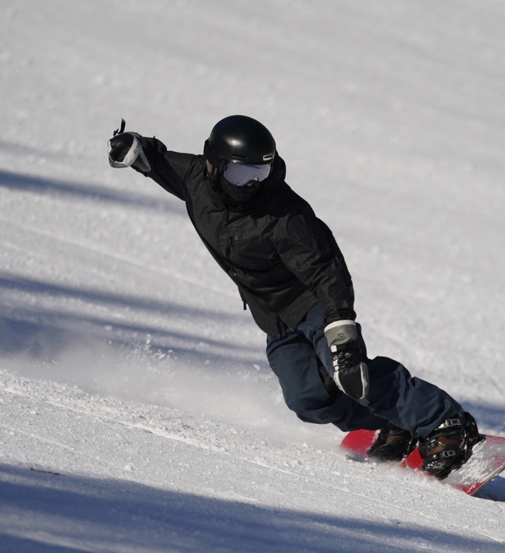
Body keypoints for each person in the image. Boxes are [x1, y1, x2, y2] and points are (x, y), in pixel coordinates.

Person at [108, 115, 481, 478]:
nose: (253, 184)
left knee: (350, 375)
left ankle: (443, 421)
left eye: (261, 172)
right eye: (242, 173)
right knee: (307, 399)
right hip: (273, 316)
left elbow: (327, 270)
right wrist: (134, 150)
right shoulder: (196, 180)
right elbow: (158, 160)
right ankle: (393, 423)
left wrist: (340, 331)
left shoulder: (285, 215)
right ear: (214, 166)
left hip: (316, 304)